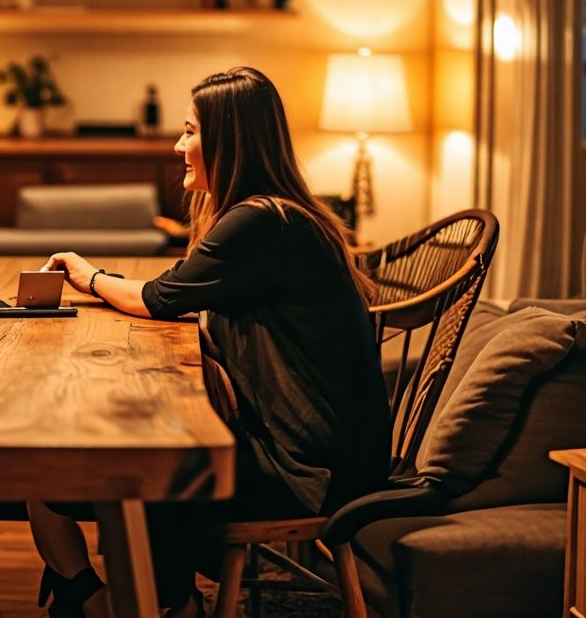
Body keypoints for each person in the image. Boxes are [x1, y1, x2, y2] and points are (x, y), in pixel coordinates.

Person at [30, 66, 390, 618]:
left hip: (313, 472)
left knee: (115, 464)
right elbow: (175, 289)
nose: (179, 145)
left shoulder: (261, 223)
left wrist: (90, 276)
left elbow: (157, 297)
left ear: (230, 142)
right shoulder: (274, 216)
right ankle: (111, 599)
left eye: (191, 131)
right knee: (69, 457)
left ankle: (152, 602)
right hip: (320, 451)